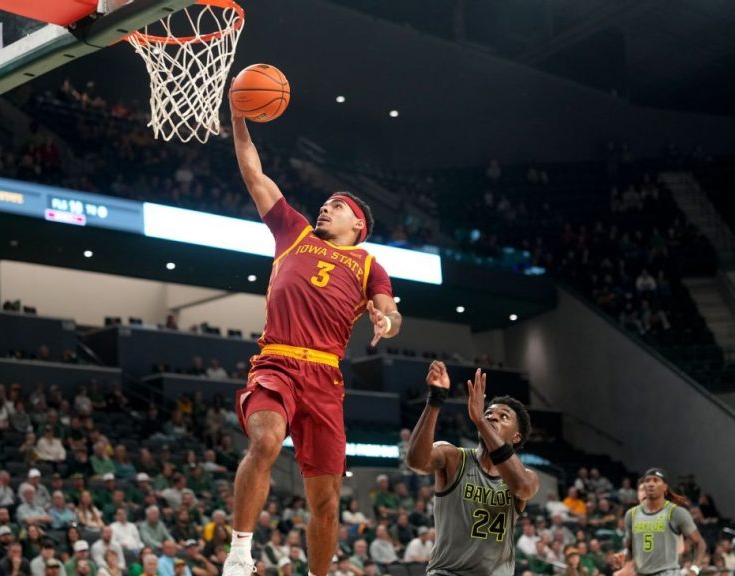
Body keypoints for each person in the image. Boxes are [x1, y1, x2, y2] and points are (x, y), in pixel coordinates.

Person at [223, 96, 401, 576]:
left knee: (326, 501)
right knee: (265, 442)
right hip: (276, 362)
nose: (325, 208)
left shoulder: (369, 264)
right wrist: (238, 119)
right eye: (324, 204)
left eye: (336, 206)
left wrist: (386, 321)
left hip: (325, 377)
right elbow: (253, 173)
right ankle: (240, 553)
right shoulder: (294, 232)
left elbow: (389, 309)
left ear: (358, 224)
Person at [405, 362, 540, 575]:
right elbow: (416, 461)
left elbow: (522, 487)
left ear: (516, 437)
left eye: (503, 416)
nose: (492, 416)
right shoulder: (454, 457)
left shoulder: (526, 476)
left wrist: (481, 421)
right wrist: (435, 399)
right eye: (489, 413)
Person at [616, 469, 706, 576]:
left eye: (656, 480)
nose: (651, 484)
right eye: (647, 481)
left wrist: (694, 569)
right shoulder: (631, 515)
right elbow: (630, 548)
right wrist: (626, 564)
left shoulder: (676, 512)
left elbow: (700, 543)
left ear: (665, 487)